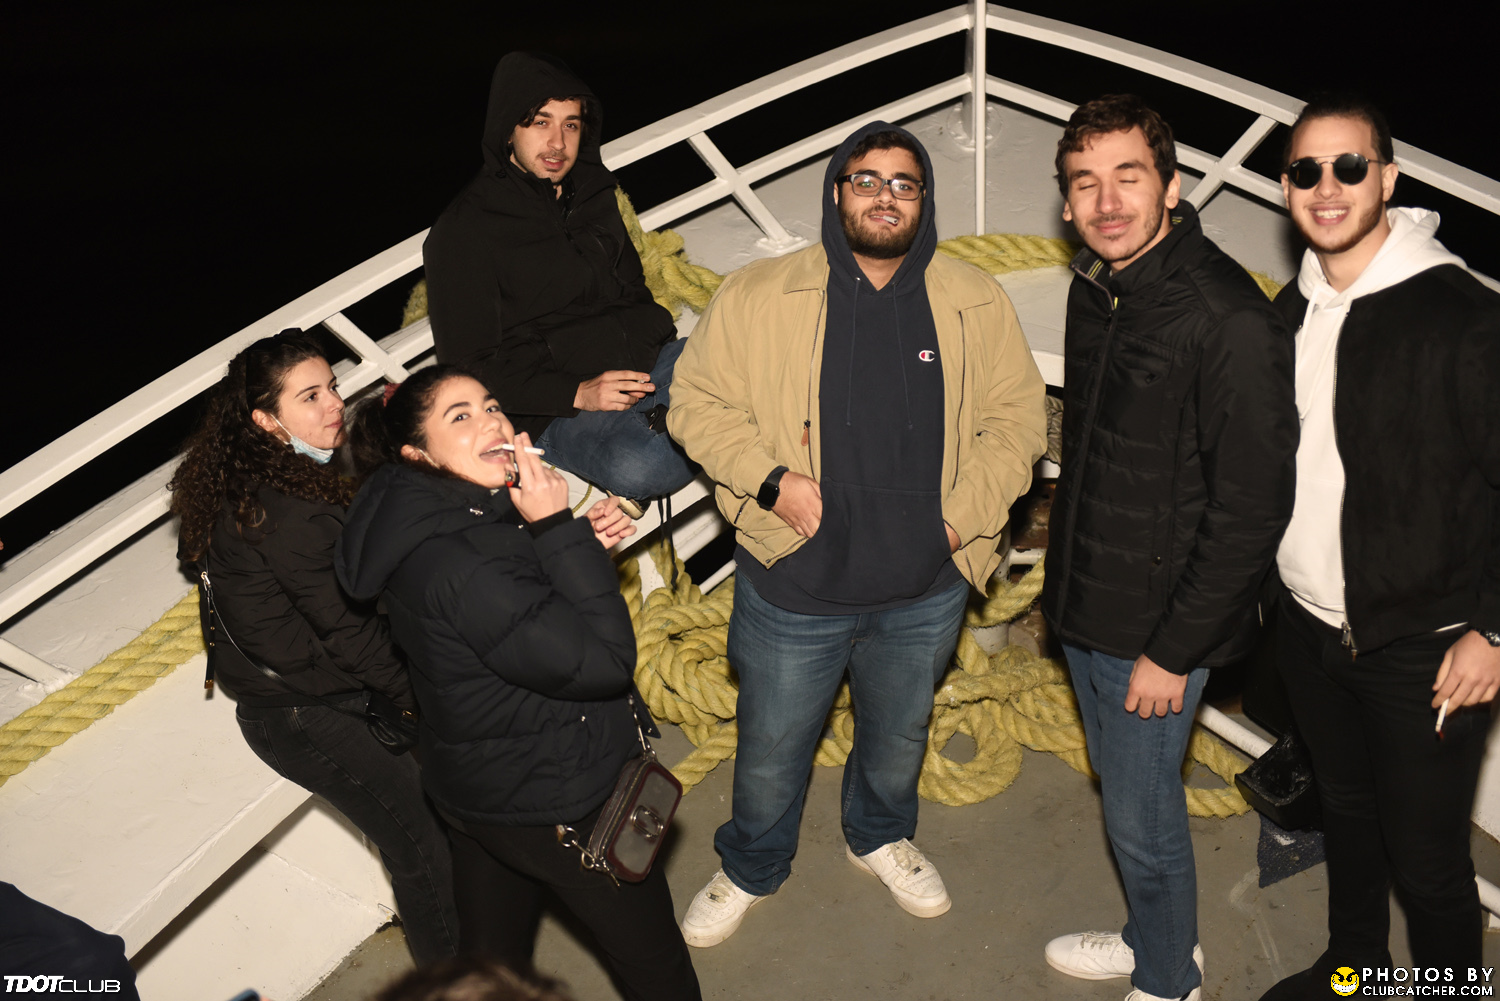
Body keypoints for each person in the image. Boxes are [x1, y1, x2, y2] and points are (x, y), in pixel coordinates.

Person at [667, 121, 1048, 947]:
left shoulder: (974, 299)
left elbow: (1017, 422)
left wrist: (960, 519)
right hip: (794, 584)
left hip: (926, 585)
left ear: (924, 199)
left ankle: (878, 835)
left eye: (904, 183)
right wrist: (771, 480)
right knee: (771, 745)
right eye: (866, 179)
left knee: (899, 733)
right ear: (837, 191)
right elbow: (695, 403)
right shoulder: (759, 294)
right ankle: (751, 864)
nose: (885, 196)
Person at [1039, 95, 1298, 1001]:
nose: (1107, 202)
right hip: (1089, 603)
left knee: (1144, 823)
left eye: (1129, 176)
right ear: (1066, 201)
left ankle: (1168, 980)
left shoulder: (1228, 319)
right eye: (1086, 182)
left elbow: (1251, 511)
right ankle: (1158, 938)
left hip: (1155, 633)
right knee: (1124, 797)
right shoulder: (1097, 289)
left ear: (1173, 186)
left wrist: (1173, 652)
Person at [335, 367, 701, 1001]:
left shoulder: (416, 510)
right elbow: (602, 664)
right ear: (417, 453)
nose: (492, 422)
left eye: (492, 405)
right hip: (552, 796)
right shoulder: (465, 561)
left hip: (477, 789)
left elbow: (506, 609)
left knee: (488, 966)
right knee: (655, 966)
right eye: (460, 417)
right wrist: (557, 531)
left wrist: (574, 548)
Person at [1257, 94, 1500, 1000]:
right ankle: (1352, 971)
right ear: (1287, 188)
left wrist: (1492, 630)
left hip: (1424, 650)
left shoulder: (1461, 314)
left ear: (1388, 179)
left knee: (1430, 865)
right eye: (1306, 171)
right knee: (1348, 819)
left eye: (1349, 167)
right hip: (1311, 629)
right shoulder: (1293, 306)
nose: (1327, 187)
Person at [167, 330, 459, 965]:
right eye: (310, 397)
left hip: (310, 694)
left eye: (331, 386)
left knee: (439, 823)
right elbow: (349, 633)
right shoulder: (283, 507)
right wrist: (430, 703)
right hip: (302, 717)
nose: (334, 404)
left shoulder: (264, 474)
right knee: (422, 846)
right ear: (266, 421)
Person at [424, 51, 694, 506]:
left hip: (652, 365)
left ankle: (691, 419)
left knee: (771, 354)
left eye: (571, 124)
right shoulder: (463, 231)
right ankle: (699, 422)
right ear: (508, 129)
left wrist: (651, 344)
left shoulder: (594, 194)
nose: (557, 143)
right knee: (641, 465)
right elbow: (469, 369)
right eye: (540, 123)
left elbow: (635, 291)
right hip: (558, 408)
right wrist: (578, 392)